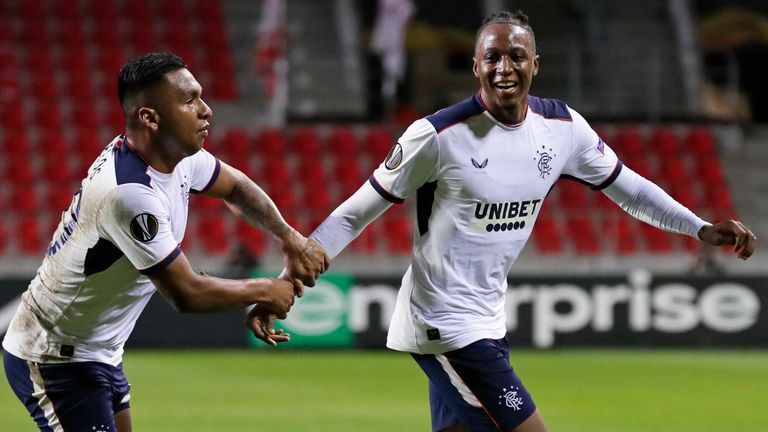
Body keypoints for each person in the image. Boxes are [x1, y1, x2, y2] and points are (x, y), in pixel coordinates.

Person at [270, 11, 758, 432]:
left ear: (535, 64)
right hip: (443, 324)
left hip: (488, 319)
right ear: (477, 65)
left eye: (516, 56)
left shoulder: (563, 129)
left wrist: (700, 227)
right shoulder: (437, 136)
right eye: (493, 57)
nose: (505, 67)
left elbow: (629, 188)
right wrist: (287, 282)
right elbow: (357, 211)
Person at [2, 52, 329, 432]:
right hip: (55, 355)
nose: (206, 110)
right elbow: (186, 293)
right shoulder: (129, 194)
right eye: (189, 100)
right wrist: (266, 290)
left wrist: (288, 237)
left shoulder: (178, 159)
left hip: (99, 350)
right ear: (150, 118)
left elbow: (236, 187)